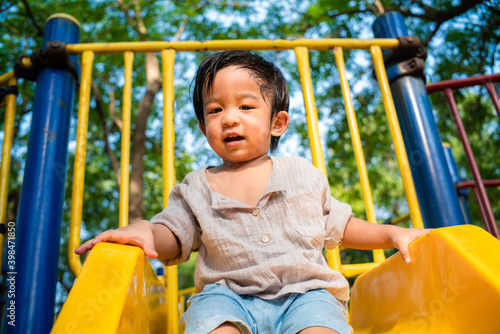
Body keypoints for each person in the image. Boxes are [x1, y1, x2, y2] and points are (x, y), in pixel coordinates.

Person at [76, 50, 430, 334]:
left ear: (277, 122)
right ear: (204, 128)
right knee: (212, 325)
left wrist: (391, 233)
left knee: (321, 328)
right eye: (216, 110)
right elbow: (173, 234)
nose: (229, 118)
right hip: (226, 298)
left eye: (245, 106)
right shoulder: (196, 185)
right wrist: (144, 232)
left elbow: (339, 224)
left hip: (306, 294)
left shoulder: (300, 173)